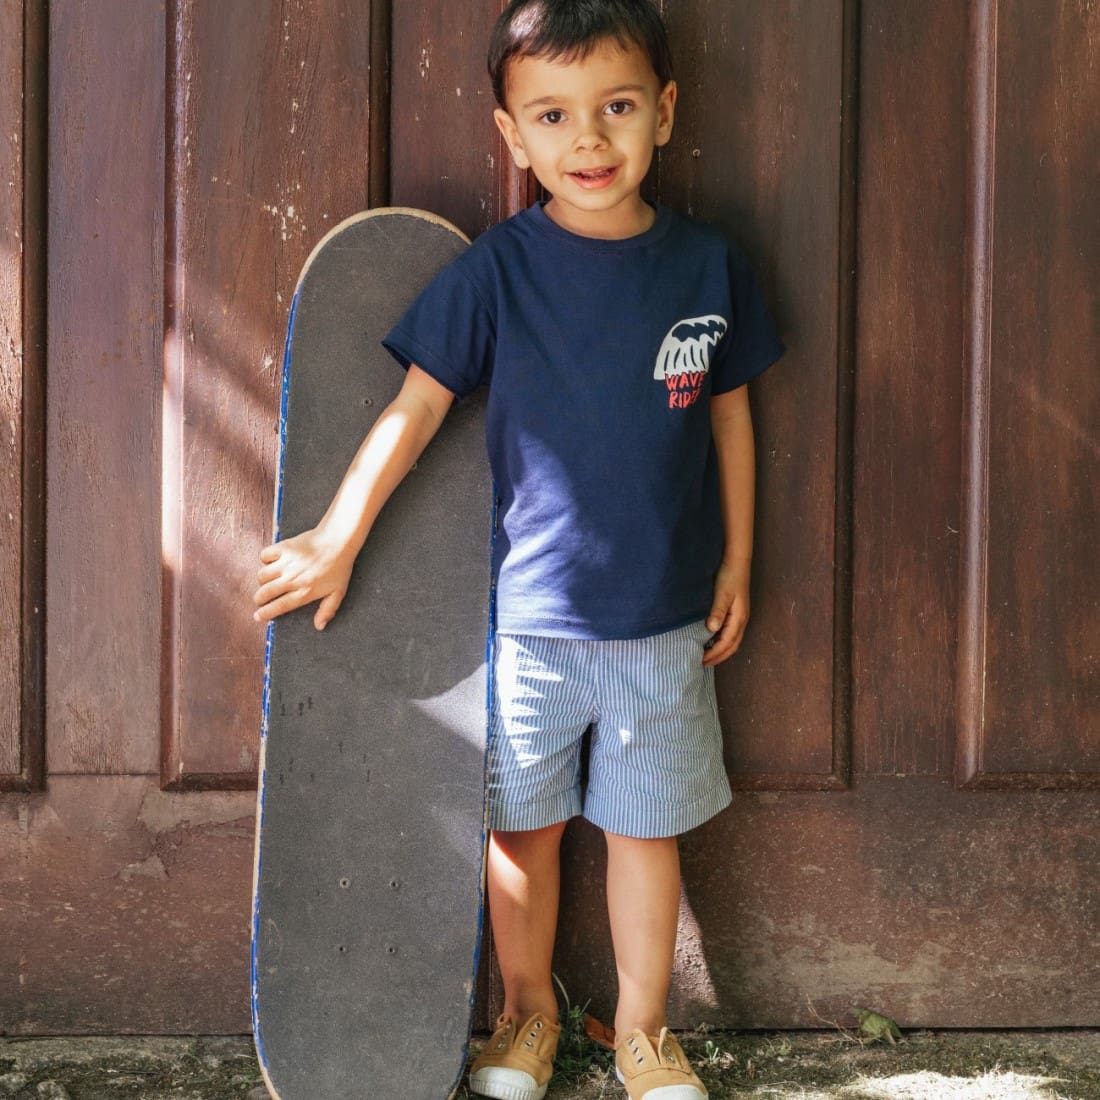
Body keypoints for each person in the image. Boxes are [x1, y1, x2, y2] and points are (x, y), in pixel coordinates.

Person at [253, 1, 785, 1096]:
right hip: (530, 627)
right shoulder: (499, 271)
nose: (587, 138)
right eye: (552, 115)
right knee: (523, 833)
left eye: (616, 106)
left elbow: (731, 415)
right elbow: (416, 407)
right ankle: (526, 1014)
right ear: (511, 135)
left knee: (645, 834)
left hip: (663, 626)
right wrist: (340, 537)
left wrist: (738, 559)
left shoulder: (707, 266)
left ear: (664, 111)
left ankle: (642, 1032)